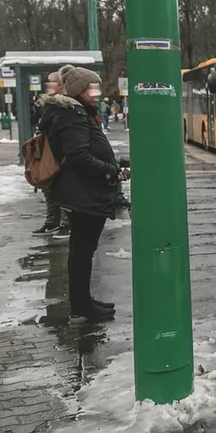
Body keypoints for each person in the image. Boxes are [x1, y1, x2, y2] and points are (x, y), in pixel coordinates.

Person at [46, 65, 129, 324]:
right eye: (91, 87)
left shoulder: (76, 112)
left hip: (84, 192)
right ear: (79, 91)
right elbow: (78, 156)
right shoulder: (72, 116)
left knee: (82, 250)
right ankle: (81, 307)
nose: (97, 92)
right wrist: (110, 172)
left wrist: (113, 165)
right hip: (84, 194)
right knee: (82, 251)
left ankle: (83, 301)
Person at [32, 71, 71, 238]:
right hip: (50, 152)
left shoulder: (63, 105)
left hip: (60, 153)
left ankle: (65, 223)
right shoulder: (48, 105)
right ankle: (52, 222)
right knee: (49, 188)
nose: (49, 86)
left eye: (53, 83)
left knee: (62, 189)